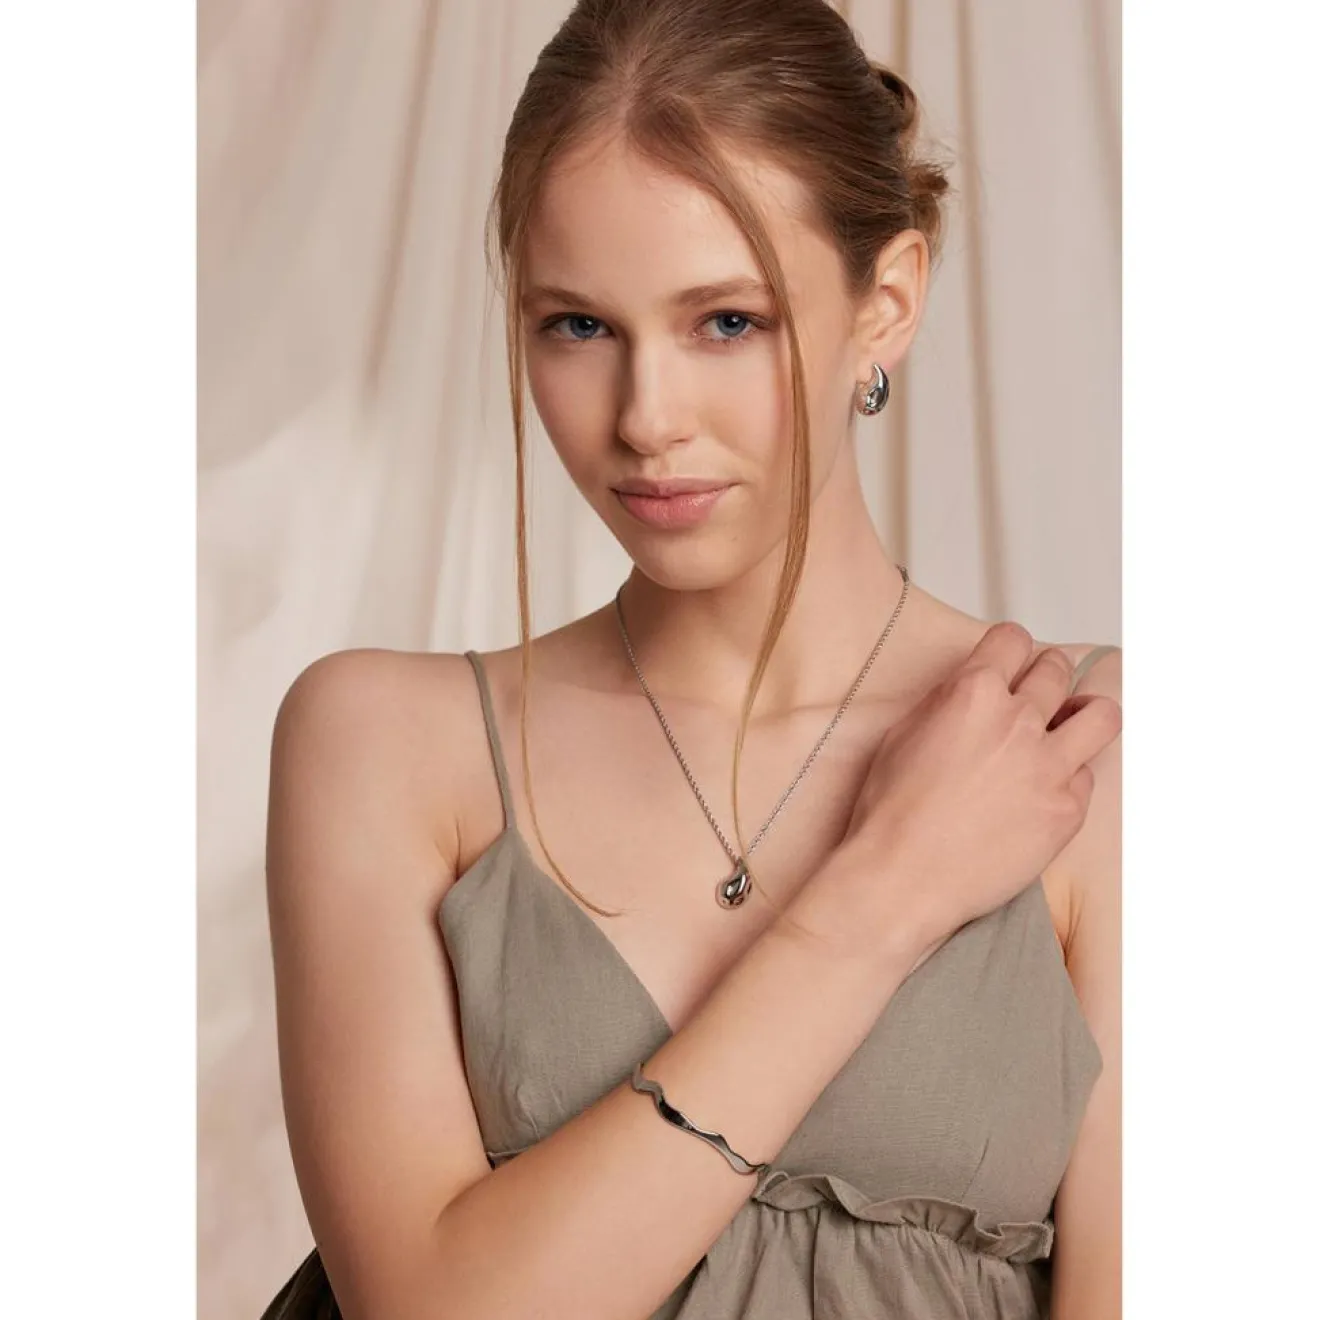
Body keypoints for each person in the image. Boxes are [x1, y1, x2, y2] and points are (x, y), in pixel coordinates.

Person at [260, 0, 1122, 1316]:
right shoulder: (383, 744)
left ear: (887, 302)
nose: (646, 420)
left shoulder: (1078, 753)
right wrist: (878, 897)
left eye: (726, 321)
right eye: (578, 327)